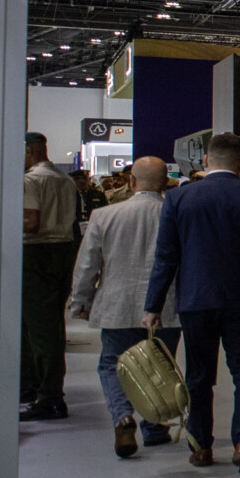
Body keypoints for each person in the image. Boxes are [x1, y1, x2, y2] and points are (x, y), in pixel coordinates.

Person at [144, 132, 240, 474]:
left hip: (196, 299)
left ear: (206, 160)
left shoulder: (179, 198)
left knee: (198, 375)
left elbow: (166, 257)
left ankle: (201, 446)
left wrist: (153, 306)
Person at [69, 157, 182, 457]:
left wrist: (81, 301)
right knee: (161, 367)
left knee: (113, 364)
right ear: (166, 183)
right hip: (166, 307)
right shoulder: (177, 215)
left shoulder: (104, 215)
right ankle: (155, 426)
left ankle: (123, 417)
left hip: (118, 305)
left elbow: (87, 265)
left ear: (131, 181)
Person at [20, 133, 82, 421]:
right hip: (63, 251)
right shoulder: (65, 180)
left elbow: (30, 222)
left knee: (40, 329)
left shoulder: (31, 180)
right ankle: (35, 385)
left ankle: (49, 396)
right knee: (51, 324)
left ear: (29, 151)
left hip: (37, 253)